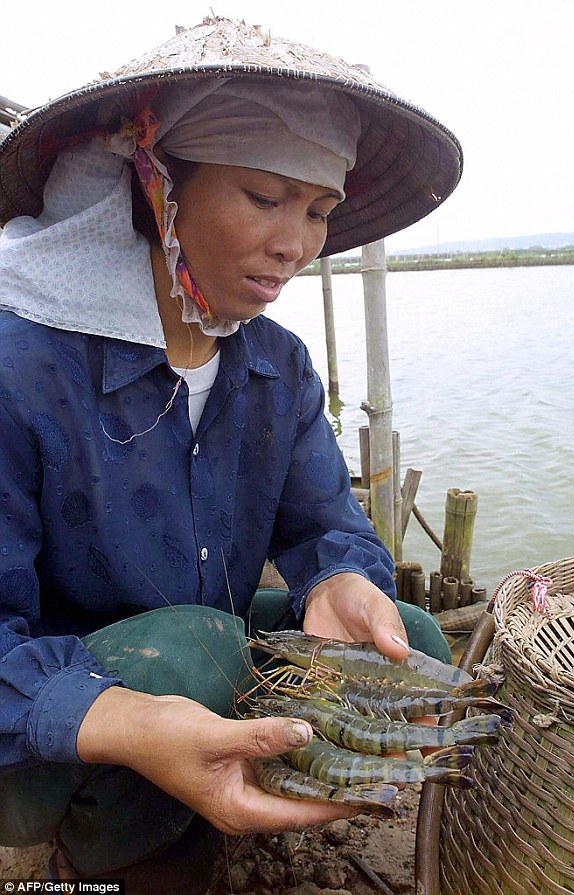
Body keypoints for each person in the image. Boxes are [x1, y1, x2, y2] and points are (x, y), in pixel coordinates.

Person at [0, 17, 463, 893]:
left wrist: (339, 581)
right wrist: (127, 721)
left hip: (195, 645)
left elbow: (330, 524)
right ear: (156, 186)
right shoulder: (21, 368)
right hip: (44, 721)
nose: (295, 244)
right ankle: (118, 847)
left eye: (319, 211)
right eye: (263, 196)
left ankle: (244, 785)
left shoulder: (276, 366)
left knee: (418, 643)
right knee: (190, 647)